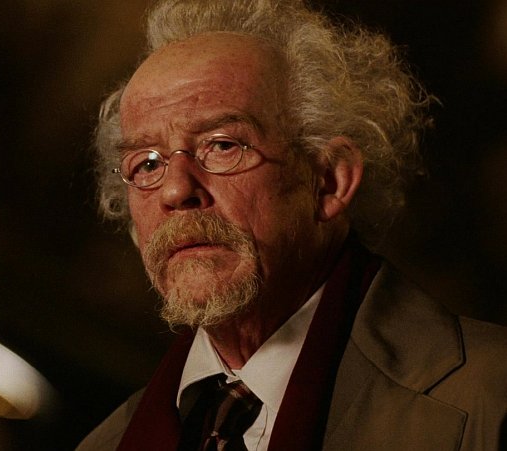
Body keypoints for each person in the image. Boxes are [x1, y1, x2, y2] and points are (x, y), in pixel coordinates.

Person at [77, 0, 507, 450]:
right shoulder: (104, 444)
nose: (175, 190)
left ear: (329, 180)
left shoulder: (490, 401)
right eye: (146, 164)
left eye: (222, 145)